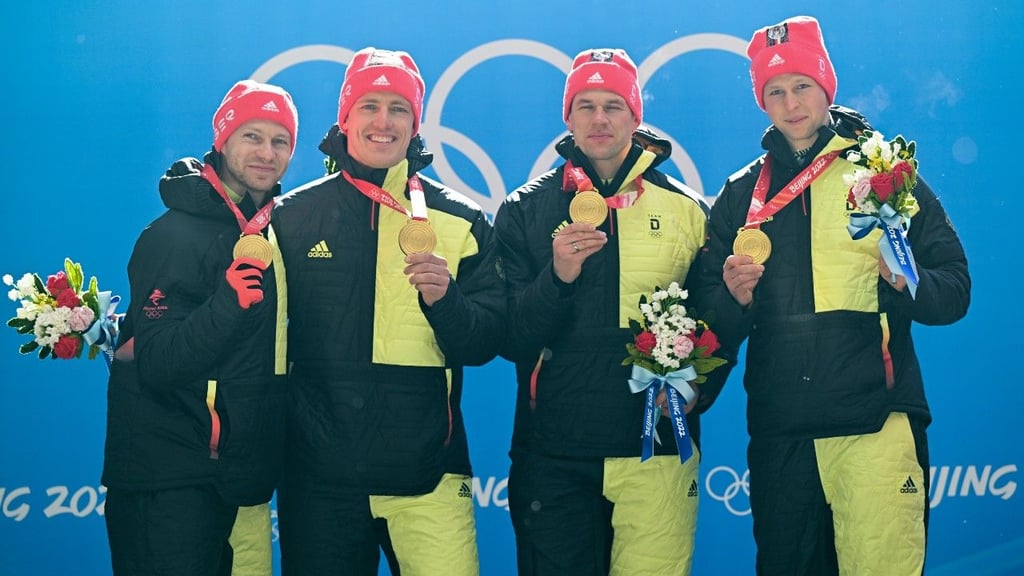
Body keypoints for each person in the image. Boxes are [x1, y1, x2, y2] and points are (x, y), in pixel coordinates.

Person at [698, 15, 971, 575]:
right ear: (762, 102)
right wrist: (732, 298)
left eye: (801, 85)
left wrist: (906, 280)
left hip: (875, 419)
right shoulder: (740, 194)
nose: (791, 102)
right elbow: (709, 324)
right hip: (782, 434)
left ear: (826, 86)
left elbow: (955, 289)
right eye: (774, 91)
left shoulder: (884, 173)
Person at [493, 48, 731, 576]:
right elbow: (508, 335)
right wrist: (557, 279)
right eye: (585, 105)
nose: (599, 119)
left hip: (657, 449)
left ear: (635, 115)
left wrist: (698, 390)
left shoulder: (686, 210)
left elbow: (717, 322)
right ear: (568, 117)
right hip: (554, 453)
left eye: (613, 106)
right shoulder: (525, 209)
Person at [271, 47, 506, 576]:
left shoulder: (461, 218)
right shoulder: (293, 216)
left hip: (428, 472)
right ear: (345, 117)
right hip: (319, 478)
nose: (383, 121)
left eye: (398, 108)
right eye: (369, 105)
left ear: (416, 123)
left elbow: (487, 342)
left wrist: (446, 301)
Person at [101, 79, 298, 576]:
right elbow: (159, 362)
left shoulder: (271, 229)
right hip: (166, 480)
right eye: (252, 136)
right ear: (223, 140)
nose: (266, 153)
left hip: (229, 478)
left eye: (280, 141)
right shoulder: (173, 234)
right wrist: (228, 305)